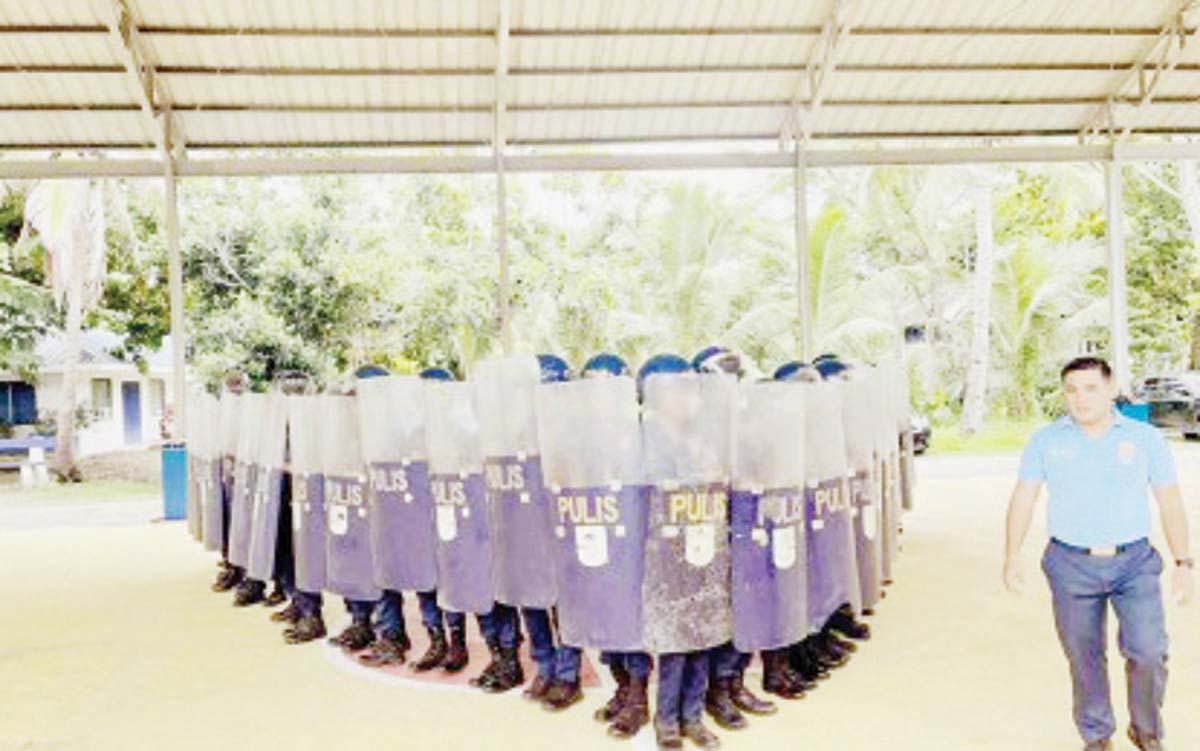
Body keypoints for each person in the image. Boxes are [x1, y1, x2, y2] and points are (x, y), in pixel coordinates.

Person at [1004, 356, 1194, 751]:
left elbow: (1170, 501)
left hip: (1135, 563)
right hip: (1070, 563)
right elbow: (1024, 497)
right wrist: (1012, 554)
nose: (1081, 398)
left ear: (1110, 389)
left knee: (1148, 651)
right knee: (1083, 656)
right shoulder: (1046, 440)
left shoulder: (1144, 439)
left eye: (1091, 388)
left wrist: (1183, 561)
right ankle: (1096, 735)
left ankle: (1145, 730)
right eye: (1072, 390)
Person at [690, 346, 777, 732]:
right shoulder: (693, 425)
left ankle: (731, 684)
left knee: (743, 608)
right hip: (706, 530)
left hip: (744, 523)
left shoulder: (746, 419)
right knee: (712, 613)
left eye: (735, 375)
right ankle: (711, 692)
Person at [578, 353, 653, 741]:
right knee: (606, 620)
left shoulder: (640, 430)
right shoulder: (582, 435)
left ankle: (638, 698)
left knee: (632, 622)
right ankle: (622, 687)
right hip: (597, 538)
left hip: (632, 541)